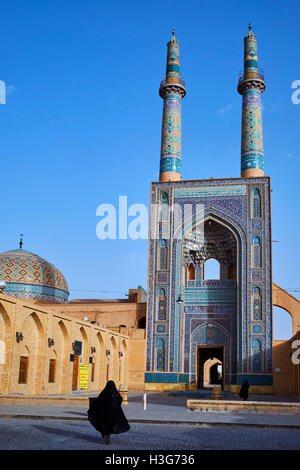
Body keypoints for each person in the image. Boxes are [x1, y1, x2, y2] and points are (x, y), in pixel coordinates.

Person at [88, 380, 130, 444]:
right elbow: (119, 399)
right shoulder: (114, 392)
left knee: (103, 425)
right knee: (110, 425)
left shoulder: (104, 392)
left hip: (104, 414)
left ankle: (105, 435)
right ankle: (107, 436)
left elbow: (99, 401)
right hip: (112, 414)